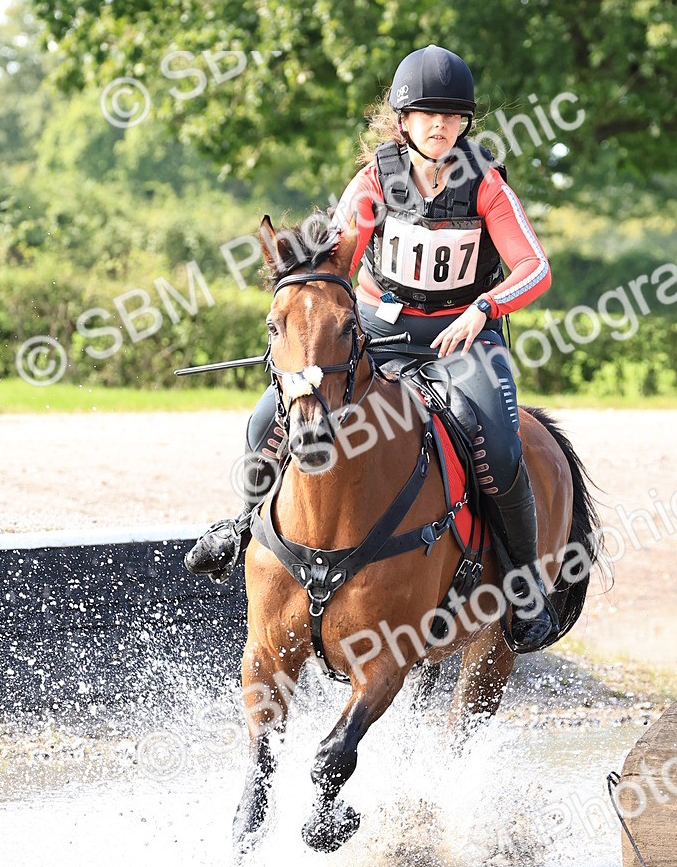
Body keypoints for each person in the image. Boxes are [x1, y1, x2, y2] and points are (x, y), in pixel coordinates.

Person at [185, 44, 558, 649]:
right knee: (265, 420)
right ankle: (241, 522)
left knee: (498, 438)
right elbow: (335, 262)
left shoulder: (485, 184)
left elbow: (535, 268)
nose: (441, 126)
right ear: (403, 121)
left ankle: (523, 584)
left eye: (453, 116)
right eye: (427, 115)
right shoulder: (373, 184)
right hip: (377, 333)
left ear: (465, 123)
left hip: (461, 340)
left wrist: (483, 308)